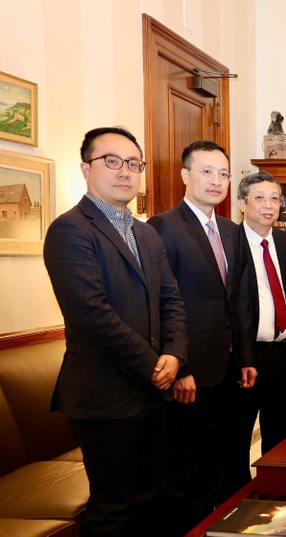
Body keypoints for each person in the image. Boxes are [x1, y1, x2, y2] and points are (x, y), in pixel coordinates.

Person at [43, 126, 187, 536]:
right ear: (86, 168)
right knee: (113, 510)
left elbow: (171, 300)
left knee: (150, 502)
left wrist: (175, 354)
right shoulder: (70, 230)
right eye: (112, 161)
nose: (125, 171)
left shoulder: (146, 233)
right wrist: (153, 365)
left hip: (153, 394)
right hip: (104, 397)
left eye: (133, 163)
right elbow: (92, 315)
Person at [148, 140, 248, 533]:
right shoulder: (163, 227)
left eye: (223, 174)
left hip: (225, 367)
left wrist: (244, 359)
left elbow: (236, 301)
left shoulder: (231, 231)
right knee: (181, 466)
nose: (216, 180)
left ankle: (208, 525)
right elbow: (160, 305)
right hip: (188, 372)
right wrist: (181, 367)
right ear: (185, 175)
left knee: (213, 459)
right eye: (207, 171)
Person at [224, 171, 286, 494]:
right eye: (259, 198)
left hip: (285, 352)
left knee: (281, 435)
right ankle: (238, 502)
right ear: (242, 204)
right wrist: (243, 357)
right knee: (237, 436)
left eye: (274, 198)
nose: (268, 205)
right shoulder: (230, 243)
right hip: (247, 356)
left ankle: (276, 496)